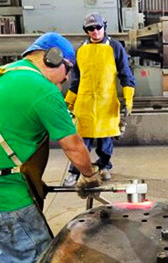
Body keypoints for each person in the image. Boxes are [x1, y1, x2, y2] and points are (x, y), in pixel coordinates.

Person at [0, 32, 100, 263]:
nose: (66, 79)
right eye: (68, 69)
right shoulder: (43, 90)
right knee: (37, 255)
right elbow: (73, 146)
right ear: (53, 58)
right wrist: (90, 177)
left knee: (10, 250)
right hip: (3, 196)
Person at [63, 12, 136, 186]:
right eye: (91, 28)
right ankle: (75, 172)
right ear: (86, 30)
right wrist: (68, 102)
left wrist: (128, 98)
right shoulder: (80, 50)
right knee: (81, 142)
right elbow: (75, 80)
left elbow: (126, 74)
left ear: (104, 26)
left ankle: (104, 166)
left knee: (105, 141)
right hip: (85, 104)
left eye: (98, 27)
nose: (95, 31)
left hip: (106, 102)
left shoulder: (115, 47)